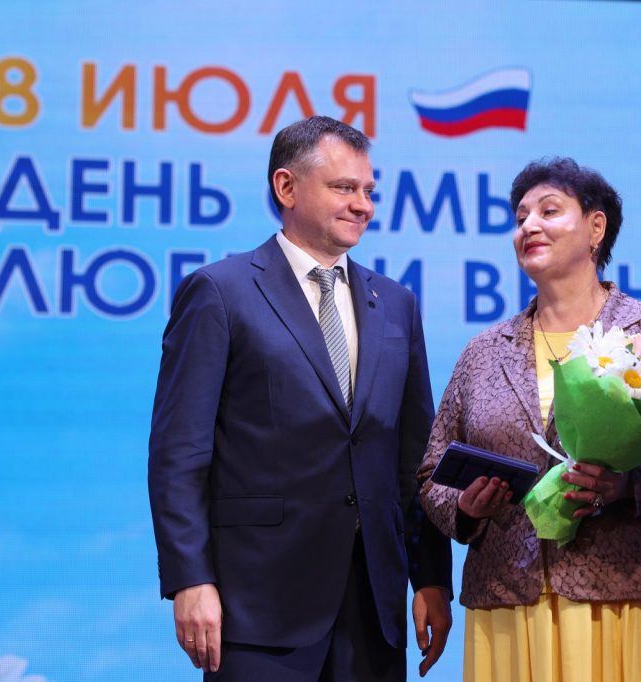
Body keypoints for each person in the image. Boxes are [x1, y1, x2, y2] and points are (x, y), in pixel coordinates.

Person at [148, 115, 452, 681]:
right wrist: (191, 579)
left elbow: (415, 456)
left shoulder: (397, 304)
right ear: (286, 187)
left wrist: (431, 577)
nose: (363, 205)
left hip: (374, 606)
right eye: (344, 187)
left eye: (369, 191)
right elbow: (179, 454)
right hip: (258, 606)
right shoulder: (220, 292)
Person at [417, 157, 641, 681]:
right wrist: (465, 508)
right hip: (508, 600)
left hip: (628, 594)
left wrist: (632, 485)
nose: (529, 226)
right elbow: (432, 473)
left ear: (596, 228)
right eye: (520, 217)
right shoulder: (483, 352)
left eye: (549, 211)